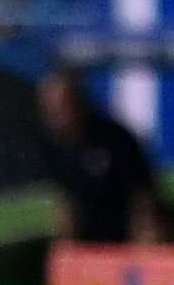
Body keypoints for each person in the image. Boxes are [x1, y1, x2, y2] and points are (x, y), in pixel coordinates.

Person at [37, 69, 161, 249]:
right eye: (51, 110)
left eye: (63, 108)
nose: (57, 117)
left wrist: (142, 239)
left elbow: (142, 194)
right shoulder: (54, 147)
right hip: (90, 243)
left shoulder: (114, 138)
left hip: (125, 238)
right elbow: (66, 202)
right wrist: (66, 246)